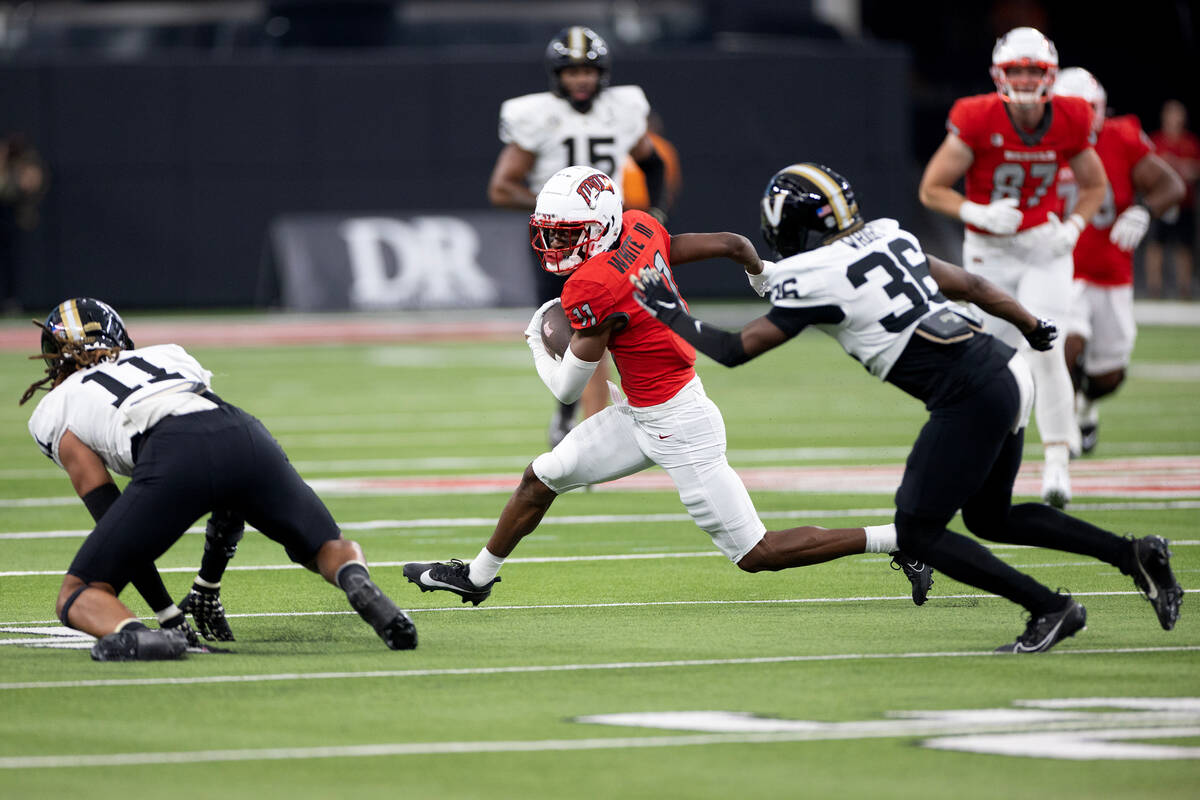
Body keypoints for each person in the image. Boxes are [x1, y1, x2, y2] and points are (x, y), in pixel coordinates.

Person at [631, 162, 1182, 653]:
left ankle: (1049, 607)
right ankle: (1133, 554)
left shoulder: (814, 278)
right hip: (1006, 367)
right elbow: (969, 284)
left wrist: (669, 312)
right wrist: (1032, 326)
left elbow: (733, 350)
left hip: (969, 393)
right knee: (991, 516)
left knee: (917, 531)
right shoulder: (888, 237)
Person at [405, 165, 933, 607]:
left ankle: (900, 539)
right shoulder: (637, 227)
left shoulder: (594, 285)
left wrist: (535, 340)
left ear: (598, 227)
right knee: (542, 477)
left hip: (679, 426)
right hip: (643, 410)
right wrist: (761, 273)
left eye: (566, 233)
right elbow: (733, 242)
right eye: (552, 230)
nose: (554, 242)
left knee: (758, 554)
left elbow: (568, 389)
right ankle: (476, 577)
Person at [20, 299, 417, 660]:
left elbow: (113, 523)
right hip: (242, 431)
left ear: (54, 358)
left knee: (79, 590)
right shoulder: (167, 356)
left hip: (171, 449)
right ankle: (355, 578)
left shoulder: (56, 408)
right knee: (326, 546)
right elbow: (228, 495)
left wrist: (168, 614)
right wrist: (208, 581)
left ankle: (138, 635)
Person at [918, 26, 1109, 509]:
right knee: (991, 361)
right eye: (1016, 70)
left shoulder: (1070, 115)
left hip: (1044, 244)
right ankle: (991, 461)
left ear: (1050, 74)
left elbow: (1094, 186)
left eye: (1033, 70)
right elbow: (932, 188)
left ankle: (1058, 463)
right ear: (999, 74)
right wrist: (975, 212)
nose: (1024, 79)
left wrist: (1073, 228)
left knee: (1046, 344)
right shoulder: (977, 116)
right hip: (990, 252)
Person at [487, 26, 672, 448]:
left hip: (614, 237)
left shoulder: (622, 109)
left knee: (622, 329)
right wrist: (563, 211)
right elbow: (501, 188)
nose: (581, 79)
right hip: (562, 243)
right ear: (557, 75)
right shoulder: (538, 116)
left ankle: (606, 424)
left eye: (588, 70)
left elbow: (654, 163)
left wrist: (655, 213)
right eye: (571, 71)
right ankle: (576, 420)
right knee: (576, 333)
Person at [1053, 69, 1186, 454]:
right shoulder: (1039, 144)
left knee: (1109, 375)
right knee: (1067, 345)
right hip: (1062, 269)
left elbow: (1172, 185)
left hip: (1112, 274)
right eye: (1069, 109)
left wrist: (1144, 210)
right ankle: (1062, 435)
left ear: (1100, 109)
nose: (1079, 118)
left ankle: (1086, 407)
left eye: (1086, 109)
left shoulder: (1120, 136)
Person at [1144, 99, 1200, 300]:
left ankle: (1184, 289)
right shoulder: (1156, 141)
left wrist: (1183, 166)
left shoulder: (1190, 142)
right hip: (1161, 203)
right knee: (1155, 245)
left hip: (1184, 204)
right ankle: (1154, 290)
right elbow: (1145, 168)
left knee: (1184, 247)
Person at [0, 134, 47, 313]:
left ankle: (10, 301)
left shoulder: (25, 164)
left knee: (11, 262)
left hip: (10, 219)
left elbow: (31, 183)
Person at [622, 111, 682, 218]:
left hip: (644, 208)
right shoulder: (621, 142)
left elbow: (669, 180)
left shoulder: (661, 147)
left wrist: (659, 208)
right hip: (631, 207)